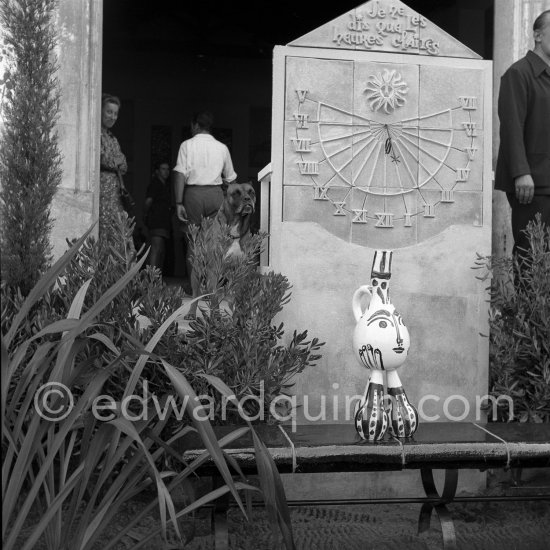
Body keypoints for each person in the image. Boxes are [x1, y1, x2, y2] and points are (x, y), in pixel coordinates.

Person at [494, 10, 550, 265]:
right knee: (531, 254)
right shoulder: (519, 73)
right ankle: (527, 308)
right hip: (531, 184)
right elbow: (511, 128)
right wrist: (520, 172)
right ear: (537, 35)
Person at [173, 110, 237, 319]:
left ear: (194, 125)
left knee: (194, 247)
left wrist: (179, 202)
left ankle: (194, 302)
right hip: (215, 195)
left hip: (193, 195)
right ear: (210, 127)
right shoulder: (222, 148)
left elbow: (181, 174)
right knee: (214, 250)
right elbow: (231, 179)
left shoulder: (187, 145)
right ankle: (215, 305)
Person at [99, 93, 134, 248]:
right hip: (102, 193)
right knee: (105, 233)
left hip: (115, 193)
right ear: (100, 111)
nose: (112, 117)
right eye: (109, 112)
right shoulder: (95, 134)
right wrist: (116, 162)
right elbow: (102, 159)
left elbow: (124, 164)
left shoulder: (113, 138)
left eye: (115, 113)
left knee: (119, 234)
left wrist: (115, 162)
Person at [144, 161, 172, 272]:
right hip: (157, 221)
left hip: (164, 222)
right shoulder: (155, 184)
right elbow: (148, 202)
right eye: (163, 169)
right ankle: (152, 278)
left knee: (160, 249)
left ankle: (155, 277)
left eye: (168, 169)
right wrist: (145, 214)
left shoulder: (165, 186)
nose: (166, 172)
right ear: (157, 171)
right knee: (156, 249)